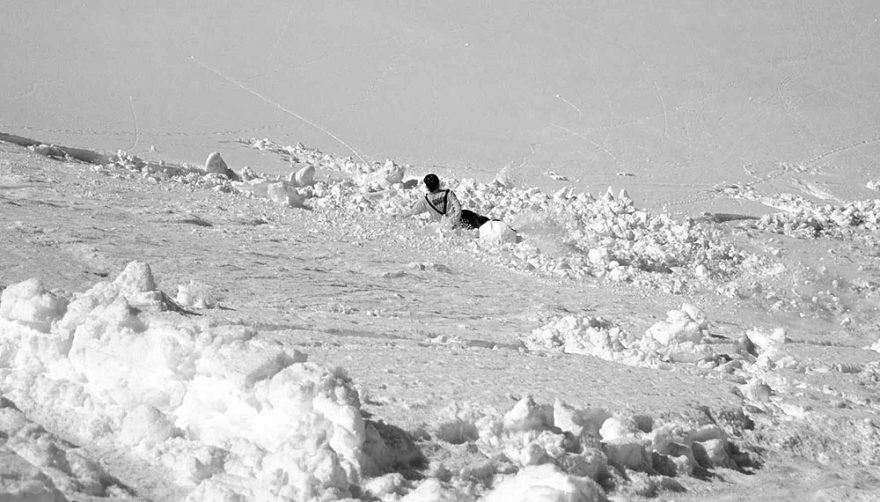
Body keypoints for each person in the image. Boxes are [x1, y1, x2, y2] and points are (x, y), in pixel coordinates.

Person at [400, 174, 490, 229]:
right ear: (438, 184)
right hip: (462, 219)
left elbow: (412, 211)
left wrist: (399, 217)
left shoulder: (425, 201)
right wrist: (454, 221)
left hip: (446, 224)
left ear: (427, 187)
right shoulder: (448, 193)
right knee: (482, 222)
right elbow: (458, 208)